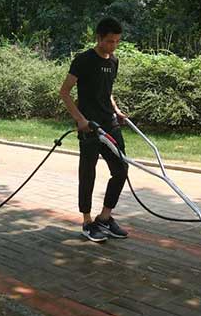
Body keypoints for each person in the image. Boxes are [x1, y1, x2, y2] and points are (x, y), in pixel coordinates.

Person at [59, 17, 129, 243]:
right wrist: (80, 119)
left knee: (121, 169)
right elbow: (65, 93)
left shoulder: (114, 61)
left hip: (110, 125)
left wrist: (116, 111)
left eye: (117, 42)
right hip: (90, 127)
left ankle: (105, 217)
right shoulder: (83, 60)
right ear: (98, 38)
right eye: (109, 41)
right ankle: (87, 221)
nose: (113, 46)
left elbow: (106, 92)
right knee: (88, 172)